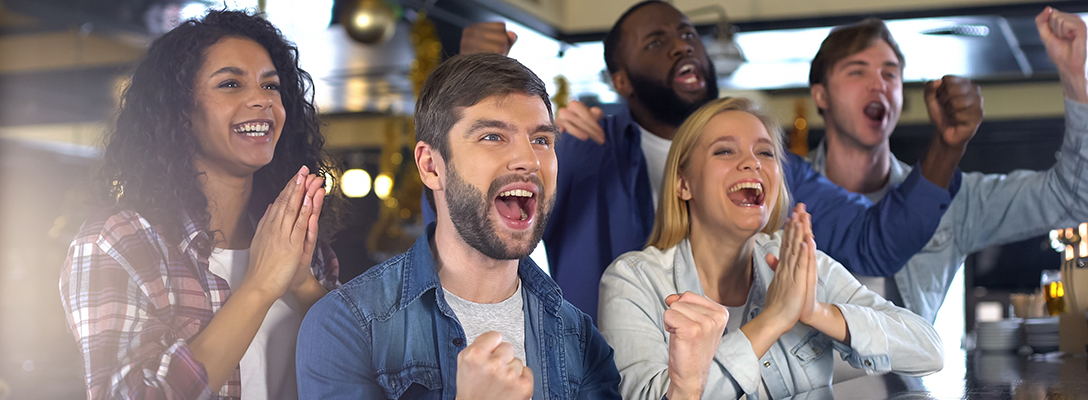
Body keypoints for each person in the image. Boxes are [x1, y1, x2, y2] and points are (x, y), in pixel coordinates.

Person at [450, 0, 974, 321]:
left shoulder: (765, 165)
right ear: (621, 81)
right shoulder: (583, 150)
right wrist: (468, 82)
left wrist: (946, 146)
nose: (682, 46)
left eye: (688, 34)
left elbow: (876, 242)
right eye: (657, 42)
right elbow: (468, 229)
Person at [295, 53, 621, 399]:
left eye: (541, 140)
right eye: (493, 136)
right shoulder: (348, 325)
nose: (529, 160)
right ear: (431, 166)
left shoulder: (582, 341)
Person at [59, 11, 341, 399]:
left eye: (271, 86)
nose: (261, 99)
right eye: (230, 84)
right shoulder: (119, 242)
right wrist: (260, 286)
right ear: (180, 111)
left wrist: (302, 283)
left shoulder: (302, 246)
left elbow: (368, 375)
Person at [598, 97, 943, 400]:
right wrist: (775, 318)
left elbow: (929, 350)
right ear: (683, 183)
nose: (754, 163)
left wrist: (813, 312)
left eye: (765, 152)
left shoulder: (799, 264)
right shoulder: (633, 281)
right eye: (725, 150)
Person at [805, 8, 1088, 323]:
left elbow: (1073, 198)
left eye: (890, 73)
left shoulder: (950, 201)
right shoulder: (780, 193)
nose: (878, 85)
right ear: (821, 95)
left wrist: (1075, 73)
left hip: (904, 373)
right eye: (857, 71)